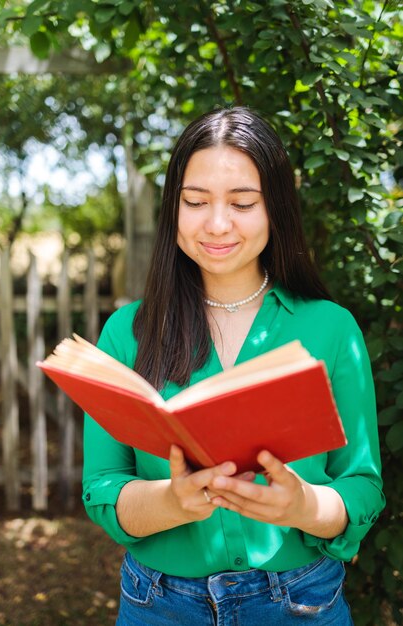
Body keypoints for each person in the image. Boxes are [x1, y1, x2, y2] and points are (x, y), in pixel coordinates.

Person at [82, 107, 385, 625]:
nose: (217, 224)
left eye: (242, 203)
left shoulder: (330, 328)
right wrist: (172, 502)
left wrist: (304, 508)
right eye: (196, 202)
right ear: (173, 209)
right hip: (159, 604)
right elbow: (104, 486)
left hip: (301, 601)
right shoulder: (127, 333)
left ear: (276, 211)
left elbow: (362, 484)